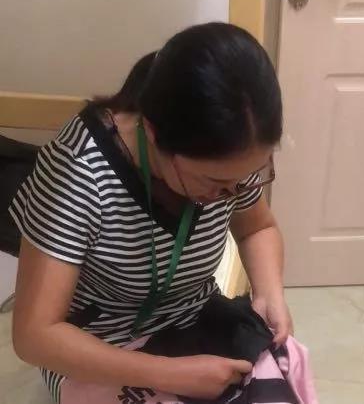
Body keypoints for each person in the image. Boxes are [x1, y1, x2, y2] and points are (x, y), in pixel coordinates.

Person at [9, 22, 293, 403]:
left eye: (246, 179)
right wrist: (170, 374)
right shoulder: (79, 169)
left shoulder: (233, 155)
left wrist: (269, 292)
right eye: (215, 182)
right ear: (154, 134)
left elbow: (257, 228)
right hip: (98, 343)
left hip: (195, 316)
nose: (231, 194)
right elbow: (35, 335)